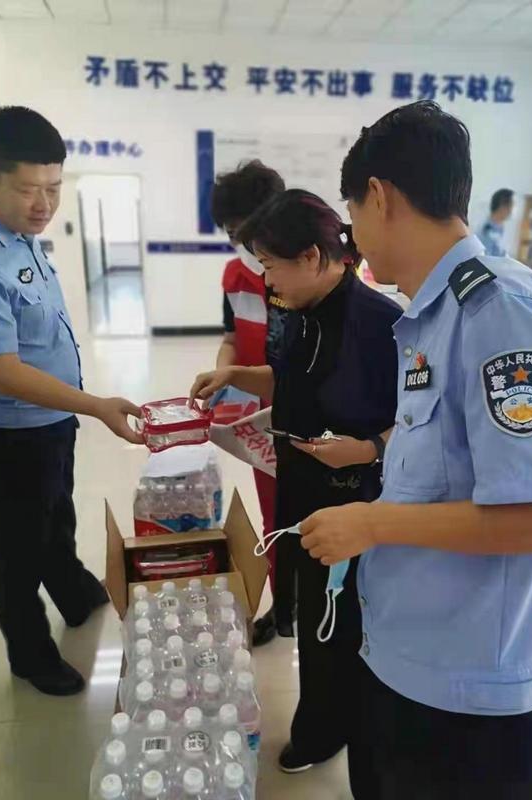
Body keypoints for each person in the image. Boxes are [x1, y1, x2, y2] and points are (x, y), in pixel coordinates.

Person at [300, 100, 532, 799]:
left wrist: (373, 523)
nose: (355, 240)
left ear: (380, 198)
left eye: (352, 218)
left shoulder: (500, 311)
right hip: (410, 662)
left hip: (476, 701)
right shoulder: (431, 316)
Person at [190, 189, 400, 774]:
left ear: (311, 256)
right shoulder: (297, 306)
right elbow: (290, 378)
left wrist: (369, 448)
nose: (266, 278)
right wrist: (237, 375)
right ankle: (328, 719)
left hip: (354, 499)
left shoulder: (381, 324)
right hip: (303, 484)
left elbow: (420, 418)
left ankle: (329, 731)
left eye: (271, 264)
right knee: (314, 616)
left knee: (340, 620)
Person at [0, 106, 143, 697]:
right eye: (28, 190)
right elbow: (0, 370)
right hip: (3, 433)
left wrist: (73, 409)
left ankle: (72, 590)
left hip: (50, 419)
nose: (44, 204)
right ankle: (31, 656)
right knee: (15, 550)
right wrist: (95, 405)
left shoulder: (16, 229)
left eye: (54, 188)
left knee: (54, 517)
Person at [210, 160, 292, 646]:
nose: (244, 245)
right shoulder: (235, 277)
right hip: (261, 419)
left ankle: (321, 602)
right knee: (273, 516)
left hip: (314, 418)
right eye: (233, 235)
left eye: (249, 232)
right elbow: (230, 338)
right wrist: (221, 371)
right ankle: (283, 603)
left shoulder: (310, 272)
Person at [477, 187, 514, 256]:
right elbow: (485, 257)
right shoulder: (486, 228)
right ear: (502, 206)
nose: (511, 211)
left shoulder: (501, 228)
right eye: (510, 206)